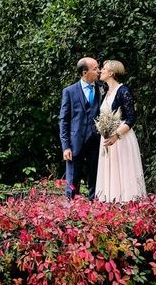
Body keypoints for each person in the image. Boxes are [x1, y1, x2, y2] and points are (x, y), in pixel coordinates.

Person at [95, 60, 146, 202]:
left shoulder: (123, 91)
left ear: (111, 73)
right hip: (107, 138)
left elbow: (131, 118)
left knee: (124, 170)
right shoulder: (105, 91)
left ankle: (127, 201)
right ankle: (110, 200)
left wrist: (116, 135)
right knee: (109, 170)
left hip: (121, 138)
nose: (101, 71)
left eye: (103, 69)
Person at [59, 57, 103, 199]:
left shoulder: (103, 89)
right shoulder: (69, 91)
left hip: (96, 140)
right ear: (85, 72)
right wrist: (65, 146)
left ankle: (94, 210)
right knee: (72, 180)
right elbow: (64, 120)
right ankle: (70, 210)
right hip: (75, 142)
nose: (99, 71)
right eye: (95, 68)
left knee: (95, 177)